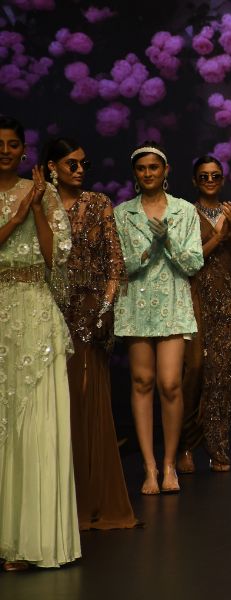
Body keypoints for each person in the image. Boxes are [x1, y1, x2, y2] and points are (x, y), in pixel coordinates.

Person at [43, 137, 138, 529]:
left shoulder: (98, 203)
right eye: (72, 164)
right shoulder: (41, 203)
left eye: (84, 163)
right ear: (52, 167)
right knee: (54, 402)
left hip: (90, 313)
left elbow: (115, 262)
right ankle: (55, 505)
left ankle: (92, 498)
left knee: (87, 396)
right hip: (49, 312)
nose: (80, 170)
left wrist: (103, 309)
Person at [0, 116, 81, 569]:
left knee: (34, 421)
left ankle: (30, 541)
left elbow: (55, 259)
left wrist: (34, 208)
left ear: (24, 150)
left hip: (35, 309)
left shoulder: (45, 195)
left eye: (13, 144)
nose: (5, 151)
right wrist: (15, 215)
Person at [114, 141, 203, 494]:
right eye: (142, 168)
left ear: (165, 171)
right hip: (136, 303)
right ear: (135, 174)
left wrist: (168, 243)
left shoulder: (184, 211)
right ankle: (149, 467)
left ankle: (169, 464)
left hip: (173, 302)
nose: (148, 173)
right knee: (141, 381)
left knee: (170, 383)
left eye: (154, 167)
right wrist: (149, 249)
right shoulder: (123, 214)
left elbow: (194, 263)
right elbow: (120, 265)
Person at [177, 156, 231, 473]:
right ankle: (186, 445)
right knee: (194, 372)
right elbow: (189, 260)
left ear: (222, 179)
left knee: (224, 376)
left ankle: (218, 445)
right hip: (196, 298)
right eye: (204, 176)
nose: (210, 180)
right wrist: (219, 235)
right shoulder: (185, 213)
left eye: (215, 176)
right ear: (195, 180)